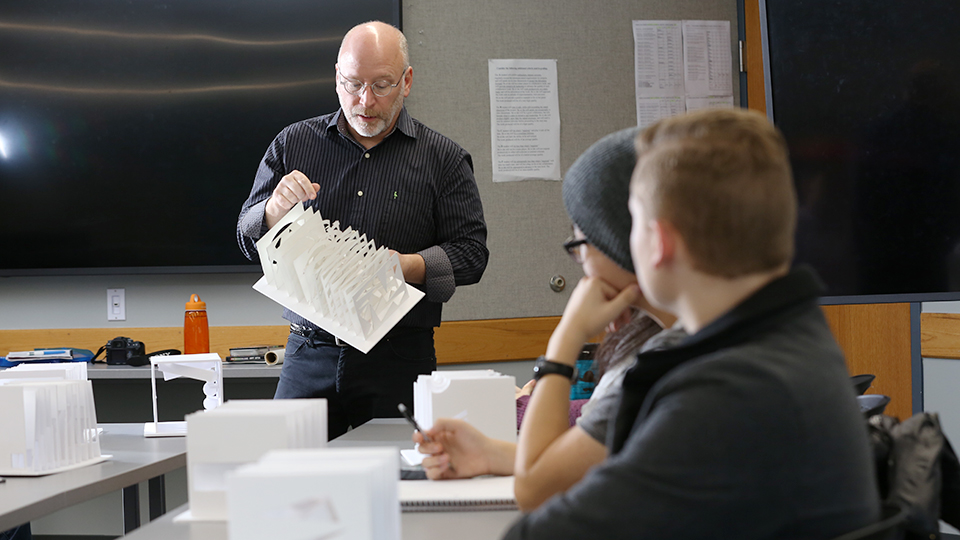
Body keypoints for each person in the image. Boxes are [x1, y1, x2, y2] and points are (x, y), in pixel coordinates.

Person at [502, 109, 880, 539]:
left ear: (660, 242)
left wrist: (561, 346)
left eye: (634, 222)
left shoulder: (722, 394)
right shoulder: (790, 336)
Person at [237, 21, 488, 439]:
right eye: (353, 84)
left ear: (407, 81)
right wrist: (272, 211)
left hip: (399, 356)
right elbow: (246, 237)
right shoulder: (292, 143)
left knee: (401, 475)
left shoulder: (443, 159)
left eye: (382, 85)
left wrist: (406, 266)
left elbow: (472, 254)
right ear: (337, 77)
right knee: (287, 472)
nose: (365, 101)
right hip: (309, 351)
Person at [413, 128, 686, 511]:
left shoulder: (664, 364)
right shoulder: (664, 343)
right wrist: (489, 454)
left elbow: (537, 486)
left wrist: (565, 340)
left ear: (628, 241)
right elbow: (590, 457)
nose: (581, 266)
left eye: (580, 244)